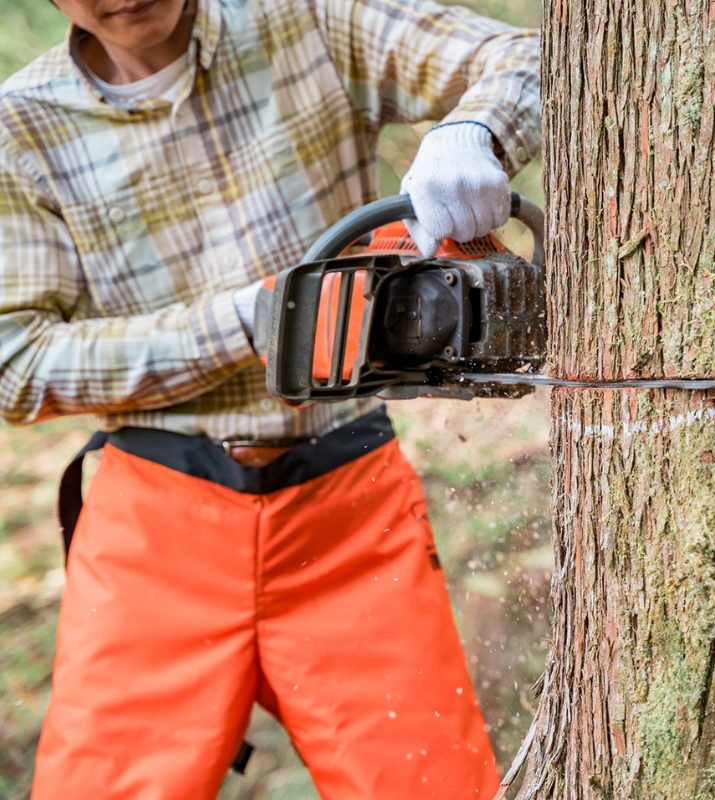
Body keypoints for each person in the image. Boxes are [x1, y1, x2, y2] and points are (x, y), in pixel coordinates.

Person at [0, 0, 539, 794]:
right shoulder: (23, 128)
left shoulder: (308, 21)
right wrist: (249, 322)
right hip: (155, 526)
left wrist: (475, 134)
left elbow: (526, 58)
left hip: (348, 510)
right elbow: (17, 365)